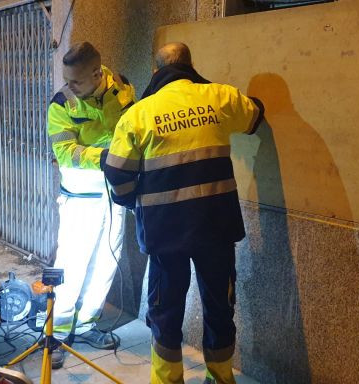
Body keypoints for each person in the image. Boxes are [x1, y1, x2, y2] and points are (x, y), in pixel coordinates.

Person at [102, 42, 264, 384]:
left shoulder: (139, 113)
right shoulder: (220, 96)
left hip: (165, 232)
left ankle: (167, 378)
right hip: (216, 227)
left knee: (165, 308)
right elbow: (254, 116)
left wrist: (134, 202)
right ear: (190, 65)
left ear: (156, 71)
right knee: (220, 304)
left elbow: (116, 173)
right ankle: (220, 376)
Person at [46, 41, 136, 368]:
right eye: (66, 80)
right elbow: (65, 153)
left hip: (115, 193)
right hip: (80, 197)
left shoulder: (122, 88)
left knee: (107, 260)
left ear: (98, 73)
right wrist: (109, 158)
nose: (68, 87)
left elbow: (131, 128)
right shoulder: (62, 104)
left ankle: (86, 323)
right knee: (73, 263)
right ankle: (56, 334)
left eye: (76, 81)